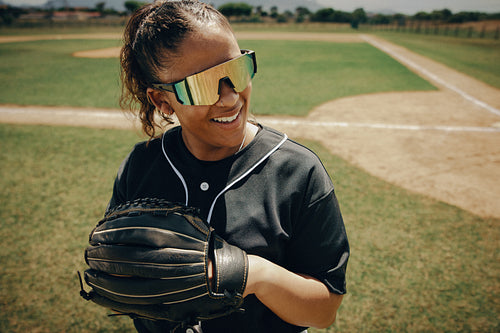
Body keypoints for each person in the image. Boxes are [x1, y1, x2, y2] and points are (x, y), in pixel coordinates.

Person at [109, 1, 349, 332]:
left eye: (236, 71)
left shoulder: (297, 172)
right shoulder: (142, 166)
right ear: (163, 101)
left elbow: (323, 313)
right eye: (203, 85)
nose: (230, 98)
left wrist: (254, 274)